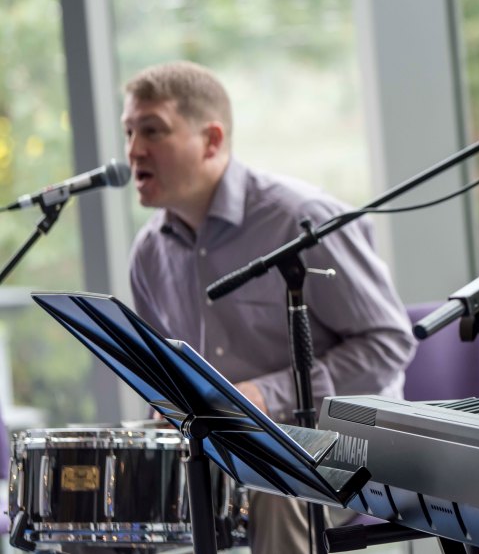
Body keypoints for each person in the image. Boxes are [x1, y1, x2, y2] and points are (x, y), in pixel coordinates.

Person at [122, 61, 417, 554]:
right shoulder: (148, 252)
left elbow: (389, 344)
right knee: (99, 490)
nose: (133, 150)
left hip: (354, 444)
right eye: (129, 132)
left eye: (152, 130)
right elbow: (163, 373)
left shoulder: (302, 219)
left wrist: (266, 394)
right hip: (227, 447)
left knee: (277, 490)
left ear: (211, 140)